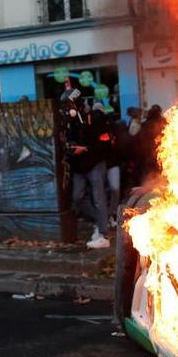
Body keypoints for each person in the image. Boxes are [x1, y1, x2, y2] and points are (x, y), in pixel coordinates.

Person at [63, 90, 111, 250]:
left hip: (95, 162)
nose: (67, 109)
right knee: (77, 197)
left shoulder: (95, 118)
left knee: (99, 197)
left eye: (69, 105)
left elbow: (106, 143)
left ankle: (104, 234)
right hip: (79, 165)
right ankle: (100, 221)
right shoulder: (69, 122)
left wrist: (86, 149)